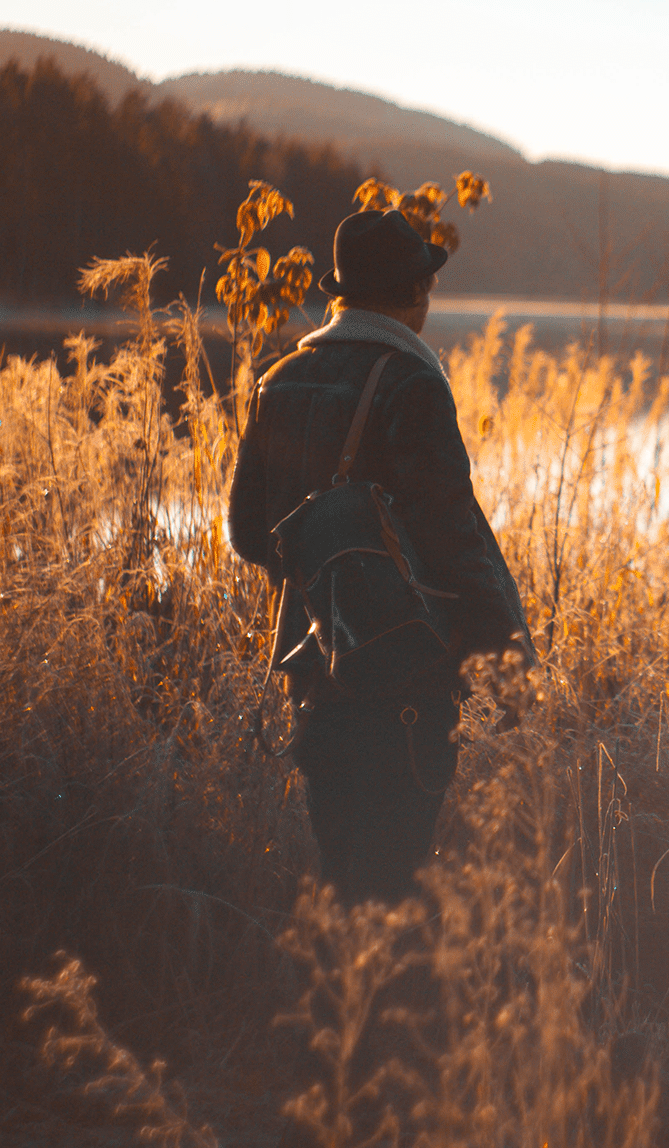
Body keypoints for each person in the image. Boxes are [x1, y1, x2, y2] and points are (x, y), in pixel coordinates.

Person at [227, 207, 533, 908]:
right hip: (407, 680)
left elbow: (249, 532)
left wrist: (328, 566)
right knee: (393, 890)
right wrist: (510, 660)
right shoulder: (413, 383)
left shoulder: (280, 379)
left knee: (341, 884)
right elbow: (454, 538)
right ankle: (388, 1017)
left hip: (314, 671)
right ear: (417, 293)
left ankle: (340, 1012)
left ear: (341, 292)